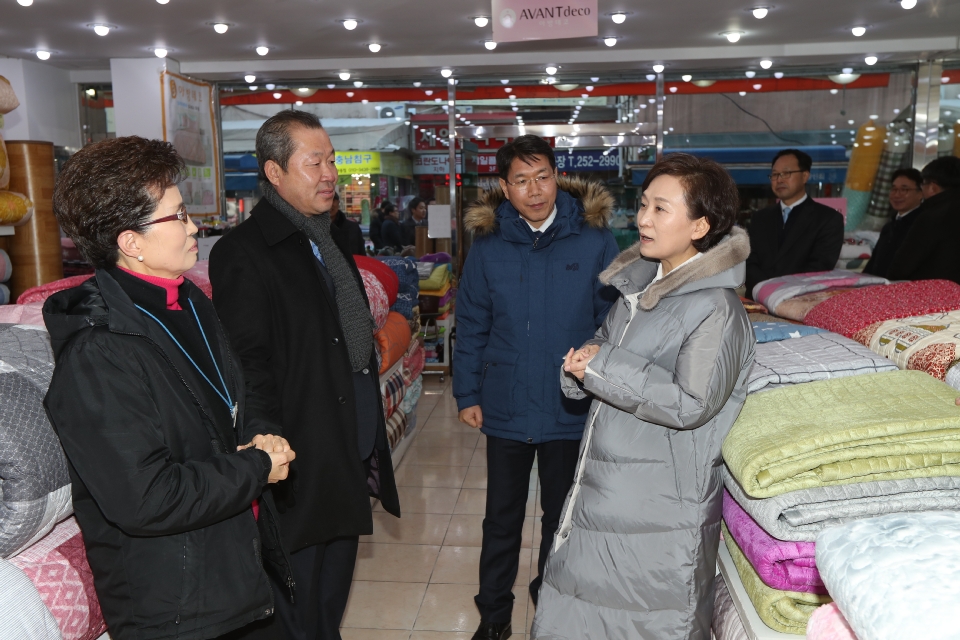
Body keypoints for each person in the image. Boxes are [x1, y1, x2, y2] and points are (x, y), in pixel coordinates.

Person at [42, 136, 296, 640]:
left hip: (233, 568)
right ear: (130, 241)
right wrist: (257, 466)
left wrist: (262, 435)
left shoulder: (187, 303)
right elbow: (148, 498)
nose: (194, 227)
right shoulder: (99, 354)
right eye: (177, 216)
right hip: (176, 608)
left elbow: (232, 400)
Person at [531, 153, 755, 640]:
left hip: (661, 509)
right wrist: (582, 368)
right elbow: (604, 353)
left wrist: (601, 365)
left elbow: (690, 403)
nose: (644, 219)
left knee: (646, 622)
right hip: (608, 488)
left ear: (700, 225)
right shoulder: (640, 287)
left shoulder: (716, 308)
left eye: (661, 208)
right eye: (645, 205)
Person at [209, 110, 400, 640]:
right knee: (295, 604)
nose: (329, 174)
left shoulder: (329, 237)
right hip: (298, 457)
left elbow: (342, 331)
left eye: (332, 160)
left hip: (347, 443)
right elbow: (249, 365)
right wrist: (267, 449)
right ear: (274, 173)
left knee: (330, 598)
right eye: (313, 162)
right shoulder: (243, 253)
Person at [454, 134, 620, 640]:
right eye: (521, 180)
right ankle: (494, 617)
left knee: (560, 517)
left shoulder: (594, 240)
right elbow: (472, 321)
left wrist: (597, 372)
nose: (535, 189)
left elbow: (612, 320)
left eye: (542, 176)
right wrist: (467, 394)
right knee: (500, 519)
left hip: (568, 406)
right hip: (504, 404)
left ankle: (550, 597)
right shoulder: (487, 247)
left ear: (556, 177)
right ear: (505, 188)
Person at [745, 149, 844, 296]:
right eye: (775, 174)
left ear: (805, 176)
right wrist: (766, 290)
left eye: (786, 173)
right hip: (758, 300)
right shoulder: (760, 218)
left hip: (800, 300)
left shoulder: (828, 219)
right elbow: (749, 261)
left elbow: (819, 267)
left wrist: (780, 292)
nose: (779, 179)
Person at [888, 156, 960, 284]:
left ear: (933, 187)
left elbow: (901, 267)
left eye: (923, 185)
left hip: (935, 297)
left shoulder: (933, 216)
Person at [863, 168, 924, 277]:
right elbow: (874, 265)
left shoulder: (921, 226)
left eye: (904, 190)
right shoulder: (889, 227)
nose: (896, 195)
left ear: (920, 194)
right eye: (894, 189)